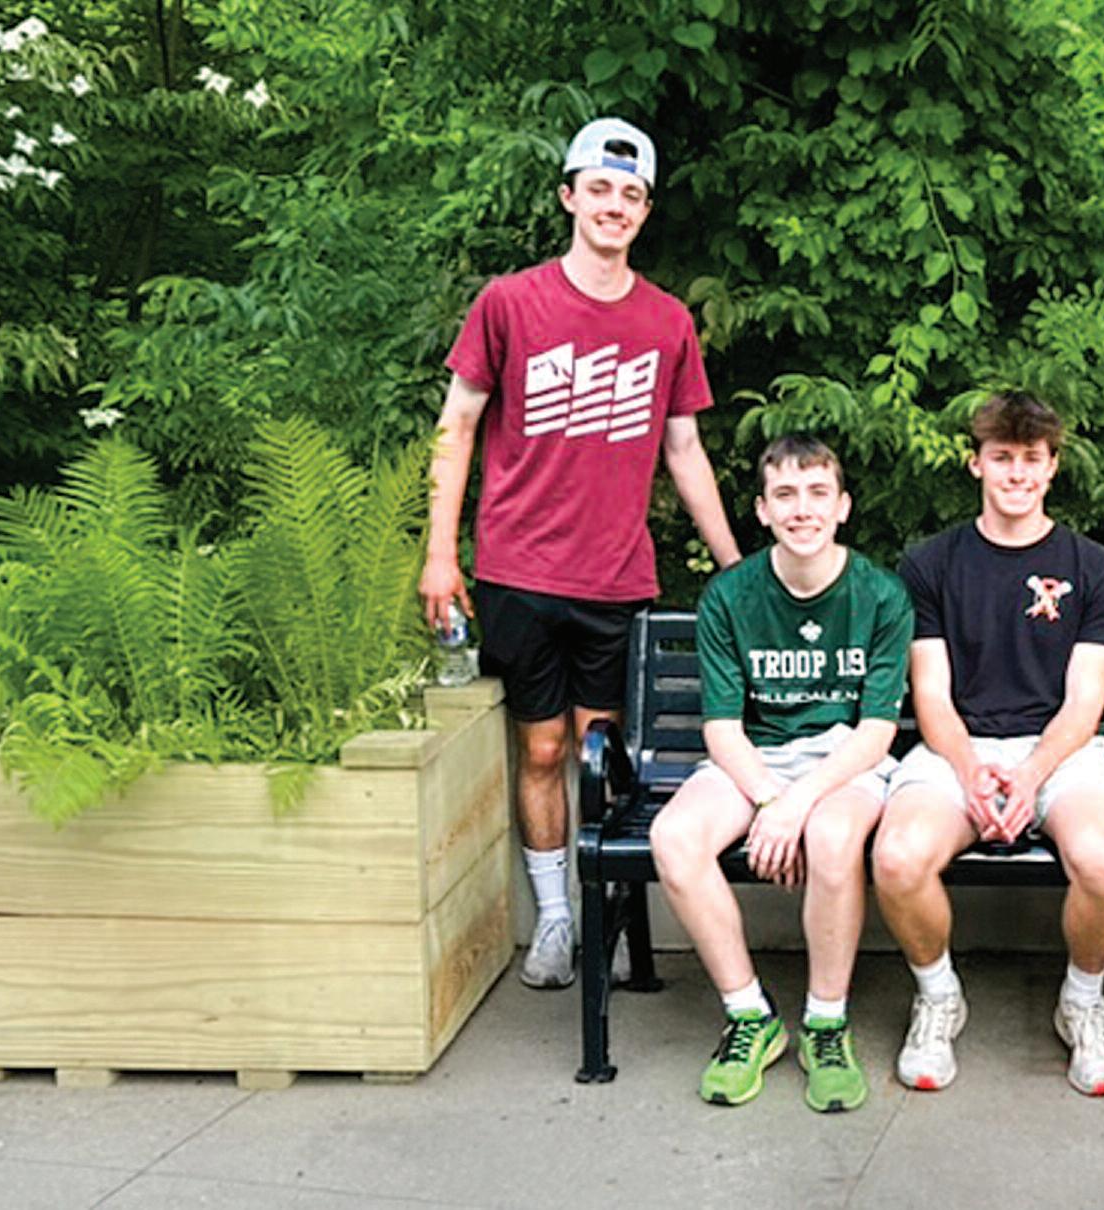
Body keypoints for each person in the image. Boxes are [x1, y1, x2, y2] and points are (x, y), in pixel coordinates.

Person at [420, 117, 742, 989]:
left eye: (631, 195)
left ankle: (604, 918)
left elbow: (684, 451)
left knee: (601, 757)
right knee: (540, 753)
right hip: (518, 570)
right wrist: (440, 554)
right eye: (599, 189)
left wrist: (735, 568)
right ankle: (555, 920)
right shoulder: (509, 303)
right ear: (568, 197)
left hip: (614, 578)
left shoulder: (667, 321)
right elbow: (456, 426)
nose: (614, 206)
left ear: (645, 212)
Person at [870, 392, 1104, 1096]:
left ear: (1053, 467)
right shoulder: (929, 564)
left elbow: (1086, 703)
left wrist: (1029, 775)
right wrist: (971, 771)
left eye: (1031, 459)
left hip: (1061, 754)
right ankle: (938, 996)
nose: (1017, 473)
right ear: (976, 464)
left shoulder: (1097, 568)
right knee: (897, 858)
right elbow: (931, 694)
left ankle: (1082, 1002)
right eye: (1002, 457)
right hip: (955, 748)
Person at [648, 434, 913, 1112]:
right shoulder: (731, 595)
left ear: (843, 506)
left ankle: (826, 1023)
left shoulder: (880, 594)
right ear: (763, 510)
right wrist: (772, 799)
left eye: (818, 493)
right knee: (674, 839)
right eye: (786, 495)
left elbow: (876, 731)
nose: (803, 510)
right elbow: (722, 728)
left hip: (844, 762)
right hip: (754, 760)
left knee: (832, 837)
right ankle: (750, 1015)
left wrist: (798, 805)